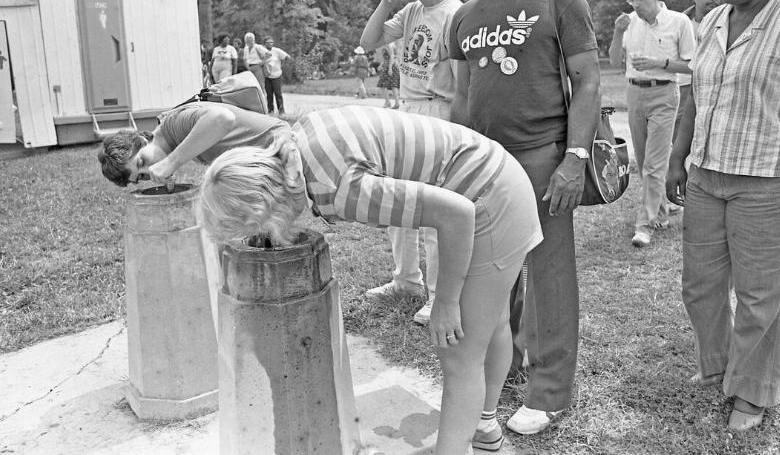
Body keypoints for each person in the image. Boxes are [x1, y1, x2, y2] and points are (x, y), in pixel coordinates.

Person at [197, 106, 542, 454]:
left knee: (459, 352)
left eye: (254, 230)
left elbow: (457, 214)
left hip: (490, 200)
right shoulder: (290, 143)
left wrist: (446, 301)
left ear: (266, 211)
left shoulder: (341, 189)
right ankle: (483, 427)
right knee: (493, 321)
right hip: (498, 172)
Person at [449, 0, 600, 436]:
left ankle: (549, 392)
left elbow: (587, 81)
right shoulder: (465, 15)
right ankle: (506, 363)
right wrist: (453, 161)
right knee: (495, 269)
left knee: (550, 274)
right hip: (487, 161)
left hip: (543, 156)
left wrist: (574, 157)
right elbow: (462, 96)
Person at [665, 0, 780, 433]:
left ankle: (752, 392)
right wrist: (679, 158)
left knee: (763, 294)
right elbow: (694, 95)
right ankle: (721, 368)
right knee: (699, 287)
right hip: (705, 174)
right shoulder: (713, 19)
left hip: (767, 179)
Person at [360, 0, 462, 325]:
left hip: (439, 109)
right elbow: (367, 42)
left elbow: (459, 79)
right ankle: (406, 279)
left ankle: (438, 293)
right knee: (398, 200)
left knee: (435, 208)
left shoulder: (455, 13)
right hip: (408, 110)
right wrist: (387, 3)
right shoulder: (412, 11)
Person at [609, 0, 695, 248]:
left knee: (654, 164)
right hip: (634, 93)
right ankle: (661, 213)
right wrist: (617, 32)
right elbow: (613, 62)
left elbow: (692, 65)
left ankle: (644, 226)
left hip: (664, 93)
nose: (634, 3)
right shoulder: (629, 22)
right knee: (645, 159)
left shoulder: (679, 22)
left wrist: (660, 63)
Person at [97, 102, 289, 187]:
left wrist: (171, 162)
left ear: (142, 140)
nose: (151, 170)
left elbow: (223, 118)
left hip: (285, 145)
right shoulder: (177, 141)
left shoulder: (174, 125)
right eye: (142, 177)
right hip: (274, 161)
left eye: (142, 162)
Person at [675, 0, 721, 144]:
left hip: (713, 86)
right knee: (680, 135)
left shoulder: (728, 20)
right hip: (685, 86)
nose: (713, 0)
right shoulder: (680, 21)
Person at [262, 36, 291, 115]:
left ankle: (281, 111)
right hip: (267, 76)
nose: (269, 44)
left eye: (271, 42)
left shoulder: (277, 51)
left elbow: (287, 57)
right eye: (267, 42)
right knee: (269, 94)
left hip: (277, 76)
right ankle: (270, 110)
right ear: (264, 44)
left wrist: (282, 64)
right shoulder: (262, 51)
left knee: (278, 94)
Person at [377, 41, 401, 108]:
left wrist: (390, 68)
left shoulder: (388, 45)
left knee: (382, 84)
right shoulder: (391, 44)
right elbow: (387, 58)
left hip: (389, 66)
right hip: (392, 65)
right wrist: (381, 65)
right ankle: (396, 103)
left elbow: (392, 56)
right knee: (393, 85)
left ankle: (387, 102)